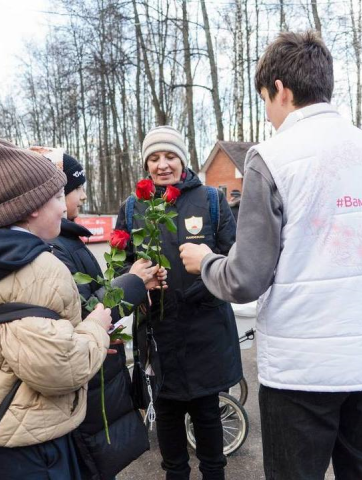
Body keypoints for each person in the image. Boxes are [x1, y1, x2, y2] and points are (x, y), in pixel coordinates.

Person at [180, 31, 362, 480]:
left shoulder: (274, 158)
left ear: (280, 89)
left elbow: (245, 278)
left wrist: (206, 261)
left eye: (266, 100)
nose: (268, 114)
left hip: (305, 368)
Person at [0, 137, 112, 479]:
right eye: (55, 197)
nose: (64, 208)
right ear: (33, 206)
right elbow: (59, 368)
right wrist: (96, 326)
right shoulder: (39, 269)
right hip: (34, 449)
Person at [116, 126, 242, 480]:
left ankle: (214, 472)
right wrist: (136, 277)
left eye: (169, 156)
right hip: (159, 331)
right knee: (167, 413)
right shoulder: (132, 206)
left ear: (183, 160)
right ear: (146, 164)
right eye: (154, 158)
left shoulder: (211, 201)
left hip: (206, 331)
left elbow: (235, 259)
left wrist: (206, 275)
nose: (162, 165)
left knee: (207, 412)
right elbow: (120, 262)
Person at [36, 146, 164, 479]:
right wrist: (133, 283)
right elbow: (84, 311)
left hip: (96, 379)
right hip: (85, 388)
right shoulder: (55, 248)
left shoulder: (69, 241)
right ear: (58, 195)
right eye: (77, 188)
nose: (82, 195)